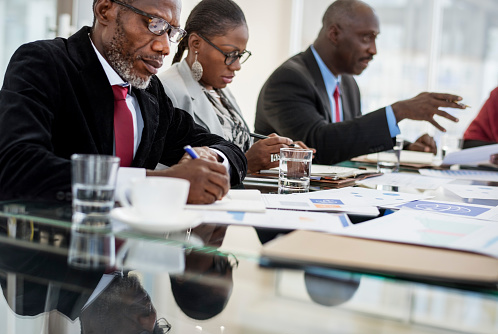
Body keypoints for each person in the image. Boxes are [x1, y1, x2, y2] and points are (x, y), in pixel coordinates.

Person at [0, 0, 247, 204]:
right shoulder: (44, 63)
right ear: (105, 10)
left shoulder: (150, 92)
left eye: (171, 32)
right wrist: (159, 183)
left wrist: (210, 159)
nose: (164, 48)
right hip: (46, 252)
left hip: (126, 255)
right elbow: (16, 166)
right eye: (154, 24)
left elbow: (225, 148)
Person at [255, 0, 465, 165]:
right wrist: (398, 111)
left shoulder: (347, 83)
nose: (373, 50)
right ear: (334, 34)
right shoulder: (290, 79)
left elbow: (349, 141)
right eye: (366, 38)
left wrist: (408, 149)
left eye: (375, 39)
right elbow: (318, 146)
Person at [158, 0, 311, 174]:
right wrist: (246, 162)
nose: (237, 65)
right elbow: (169, 171)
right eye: (230, 54)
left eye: (240, 55)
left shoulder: (218, 90)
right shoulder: (166, 90)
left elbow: (234, 143)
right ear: (195, 44)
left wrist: (276, 151)